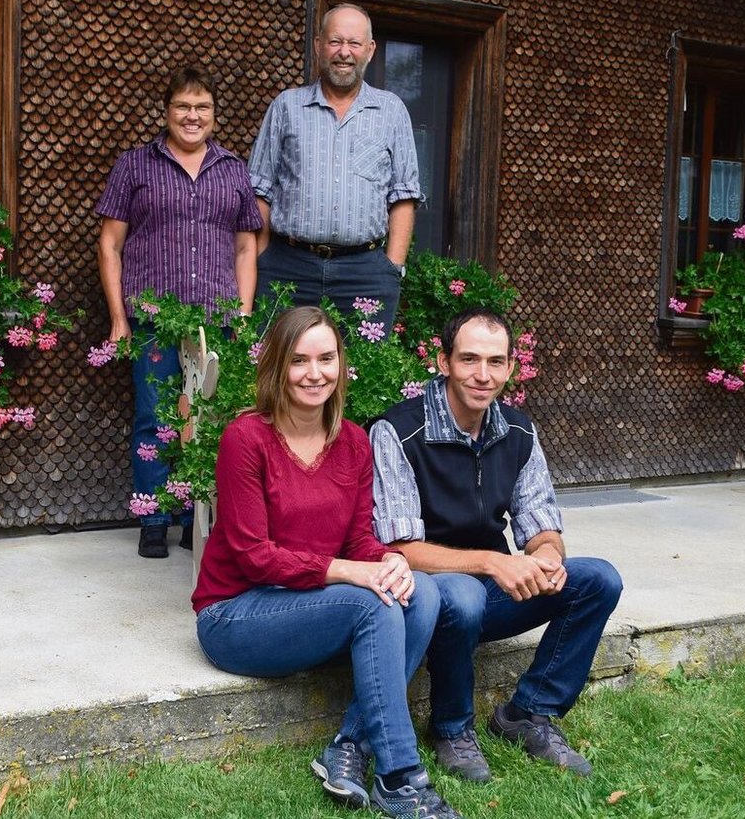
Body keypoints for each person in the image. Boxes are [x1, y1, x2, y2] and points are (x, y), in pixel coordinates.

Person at [192, 307, 462, 819]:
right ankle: (400, 777)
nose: (314, 373)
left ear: (341, 364)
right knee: (370, 602)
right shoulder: (245, 440)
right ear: (276, 366)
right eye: (299, 360)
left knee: (421, 591)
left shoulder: (354, 443)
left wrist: (388, 561)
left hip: (311, 606)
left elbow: (360, 539)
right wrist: (350, 572)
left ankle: (348, 746)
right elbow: (254, 557)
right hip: (235, 614)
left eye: (326, 358)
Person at [370, 307, 623, 782]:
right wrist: (493, 562)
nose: (482, 375)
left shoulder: (519, 430)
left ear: (510, 368)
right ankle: (450, 727)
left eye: (495, 362)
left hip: (490, 589)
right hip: (423, 598)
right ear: (443, 361)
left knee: (599, 580)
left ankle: (528, 712)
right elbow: (399, 548)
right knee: (462, 595)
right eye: (468, 360)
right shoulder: (398, 432)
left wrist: (547, 555)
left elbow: (541, 525)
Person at [97, 66, 262, 558]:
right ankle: (153, 517)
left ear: (214, 114)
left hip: (216, 317)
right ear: (167, 112)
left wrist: (245, 315)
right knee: (155, 416)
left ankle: (196, 518)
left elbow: (246, 249)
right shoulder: (135, 166)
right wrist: (119, 318)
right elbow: (110, 244)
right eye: (183, 107)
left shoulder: (233, 170)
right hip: (153, 317)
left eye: (202, 107)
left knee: (208, 418)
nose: (193, 116)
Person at [248, 3, 422, 333]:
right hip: (289, 267)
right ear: (318, 45)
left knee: (365, 376)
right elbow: (260, 188)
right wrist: (264, 257)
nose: (344, 52)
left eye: (354, 43)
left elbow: (403, 196)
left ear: (369, 50)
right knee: (277, 370)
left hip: (365, 273)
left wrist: (392, 266)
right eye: (335, 41)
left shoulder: (392, 111)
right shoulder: (287, 106)